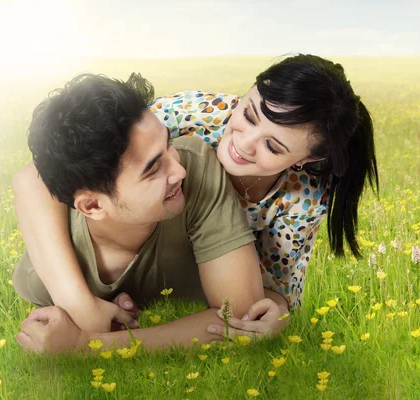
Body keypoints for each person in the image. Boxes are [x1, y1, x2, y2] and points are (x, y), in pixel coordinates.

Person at [15, 54, 379, 349]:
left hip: (217, 261)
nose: (244, 142)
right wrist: (81, 304)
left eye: (272, 146)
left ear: (305, 160)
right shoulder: (200, 115)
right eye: (249, 115)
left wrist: (276, 310)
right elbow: (61, 164)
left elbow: (266, 299)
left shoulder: (302, 199)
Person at [13, 72, 266, 353]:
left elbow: (242, 317)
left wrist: (86, 346)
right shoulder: (42, 276)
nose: (178, 170)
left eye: (168, 144)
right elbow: (31, 178)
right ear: (93, 206)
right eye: (153, 169)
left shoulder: (197, 167)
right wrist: (79, 304)